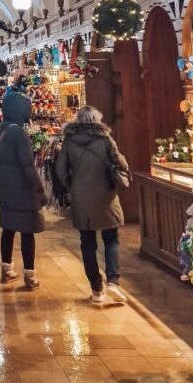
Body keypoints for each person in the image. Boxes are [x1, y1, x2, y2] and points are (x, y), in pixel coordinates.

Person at [55, 106, 130, 305]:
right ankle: (113, 281)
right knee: (111, 238)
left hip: (81, 196)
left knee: (87, 242)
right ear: (97, 119)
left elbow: (61, 169)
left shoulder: (69, 141)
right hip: (106, 195)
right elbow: (121, 163)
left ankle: (96, 289)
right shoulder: (105, 139)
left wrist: (73, 186)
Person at [0, 92, 46, 290]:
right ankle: (30, 275)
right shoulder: (19, 133)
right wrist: (39, 190)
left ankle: (7, 270)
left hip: (5, 186)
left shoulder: (1, 129)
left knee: (8, 228)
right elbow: (27, 166)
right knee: (27, 231)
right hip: (22, 189)